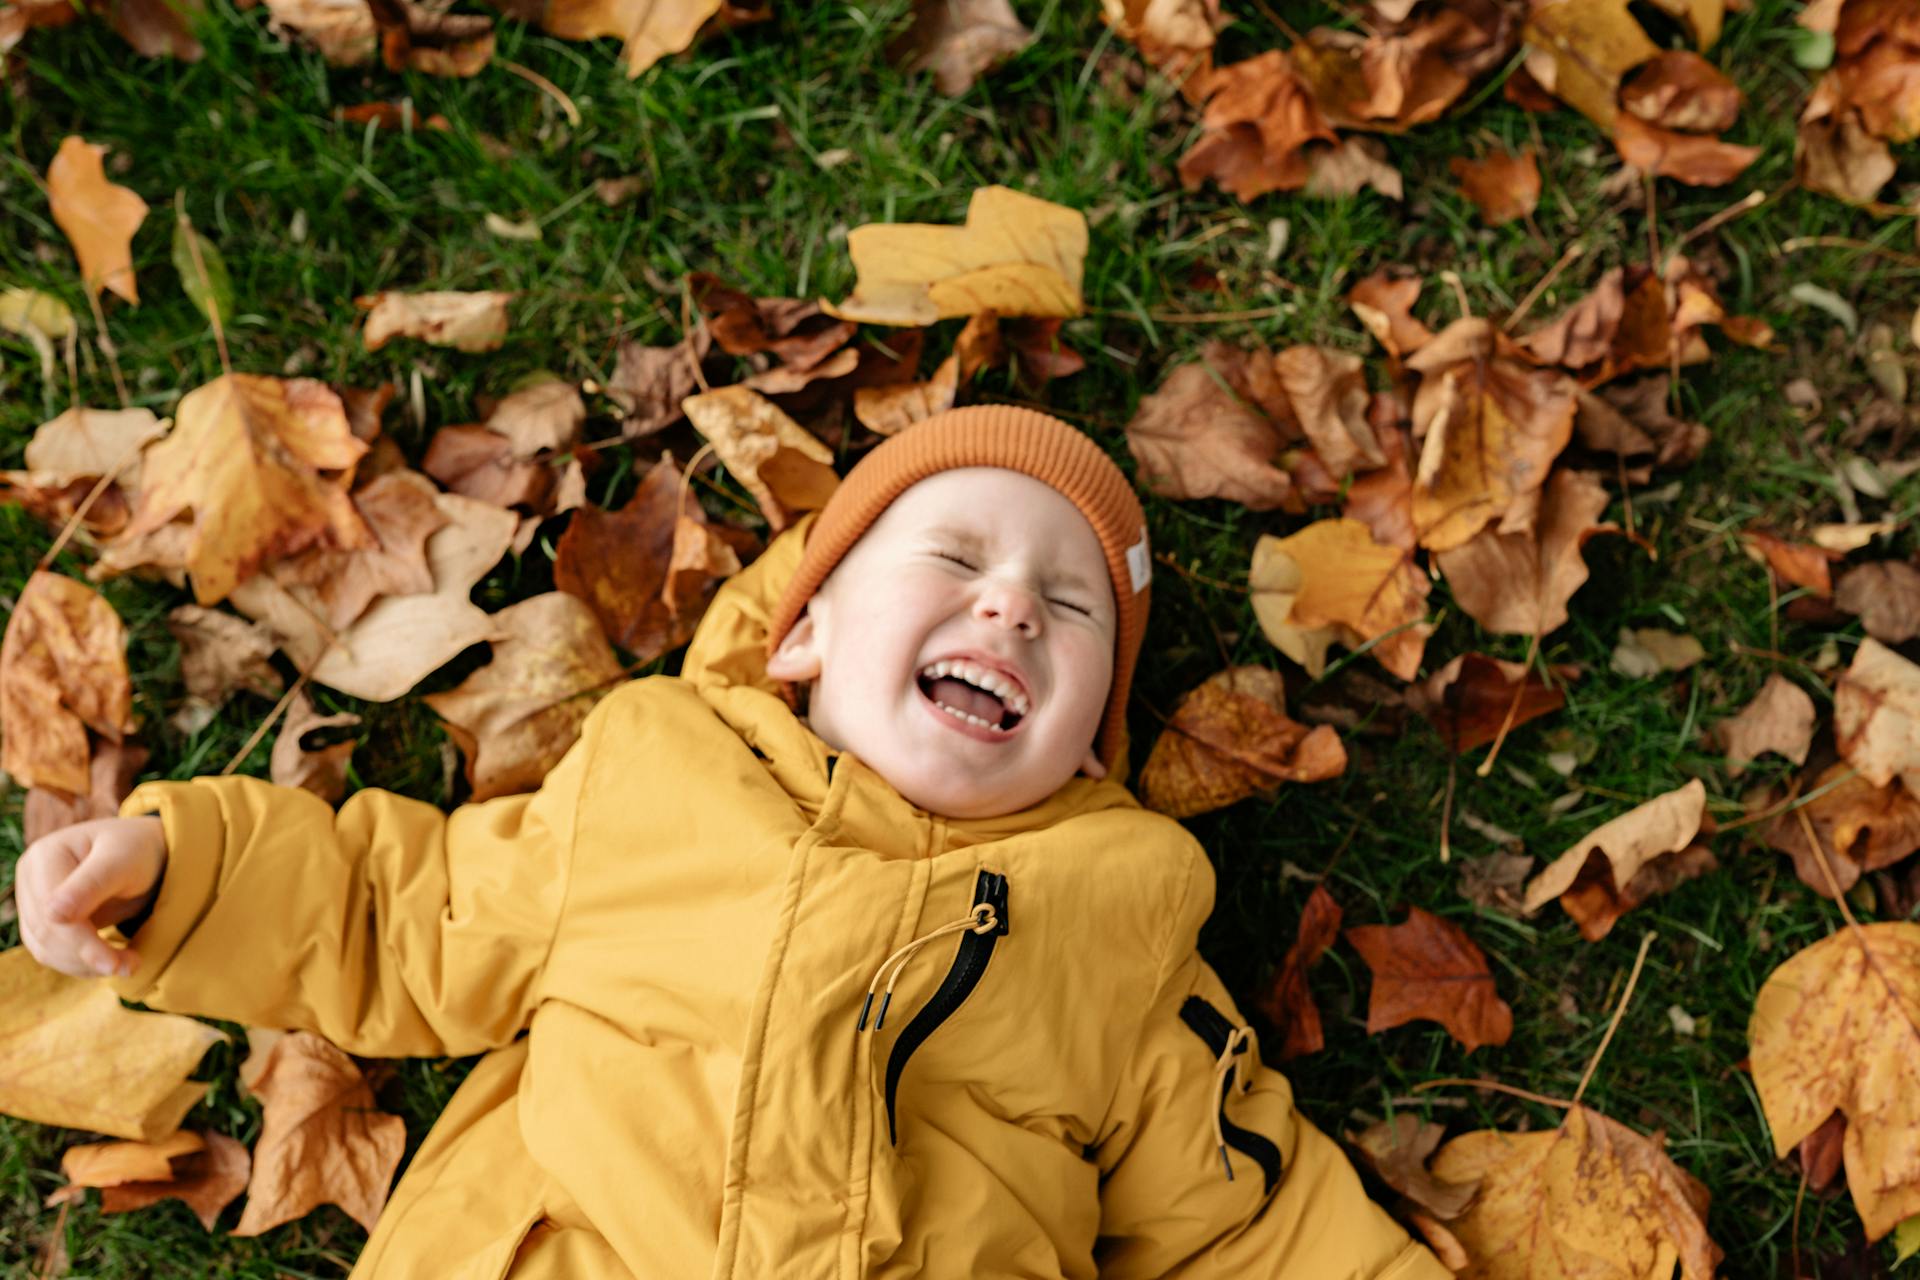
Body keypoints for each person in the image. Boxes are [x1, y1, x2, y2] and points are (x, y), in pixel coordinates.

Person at [16, 405, 1445, 1279]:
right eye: (955, 562)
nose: (1011, 610)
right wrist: (185, 872)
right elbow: (410, 913)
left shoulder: (1124, 938)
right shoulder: (657, 777)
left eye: (1071, 612)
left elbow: (1246, 1230)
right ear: (807, 633)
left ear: (1087, 745)